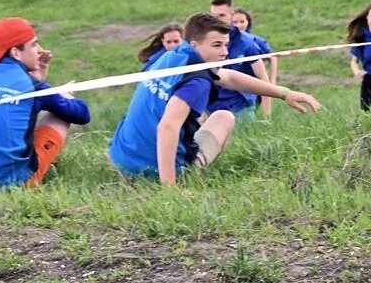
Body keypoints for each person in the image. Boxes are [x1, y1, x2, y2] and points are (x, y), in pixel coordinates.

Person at [108, 13, 320, 185]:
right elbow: (167, 127)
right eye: (217, 45)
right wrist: (169, 191)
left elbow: (227, 77)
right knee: (223, 117)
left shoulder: (173, 56)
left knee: (201, 116)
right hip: (149, 171)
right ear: (195, 44)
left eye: (226, 45)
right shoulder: (197, 82)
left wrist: (284, 93)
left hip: (119, 157)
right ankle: (185, 176)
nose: (225, 52)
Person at [0, 17, 91, 189]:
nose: (40, 51)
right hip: (13, 185)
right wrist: (64, 95)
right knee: (59, 116)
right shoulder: (33, 86)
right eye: (34, 44)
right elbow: (82, 114)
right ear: (15, 53)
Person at [205, 0, 270, 117]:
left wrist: (267, 115)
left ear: (232, 14)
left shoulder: (246, 43)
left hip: (241, 107)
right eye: (213, 17)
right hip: (211, 107)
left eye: (222, 16)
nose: (216, 20)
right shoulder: (205, 41)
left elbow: (263, 77)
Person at [233, 8, 277, 118]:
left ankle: (267, 118)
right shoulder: (227, 42)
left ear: (248, 22)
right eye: (235, 22)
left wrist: (272, 79)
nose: (239, 25)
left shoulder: (255, 41)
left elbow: (272, 57)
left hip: (254, 81)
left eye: (242, 21)